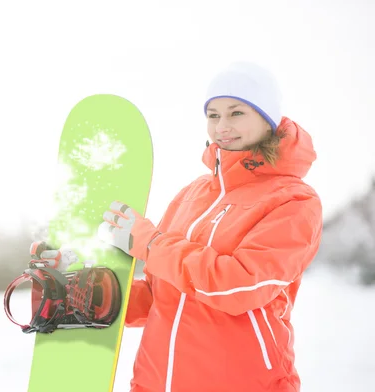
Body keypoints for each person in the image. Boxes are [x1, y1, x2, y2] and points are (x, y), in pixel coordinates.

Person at [95, 61, 323, 391]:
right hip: (157, 382)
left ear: (268, 118)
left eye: (236, 113)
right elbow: (165, 294)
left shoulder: (293, 201)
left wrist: (149, 244)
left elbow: (238, 285)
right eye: (213, 115)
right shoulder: (193, 194)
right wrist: (100, 296)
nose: (222, 126)